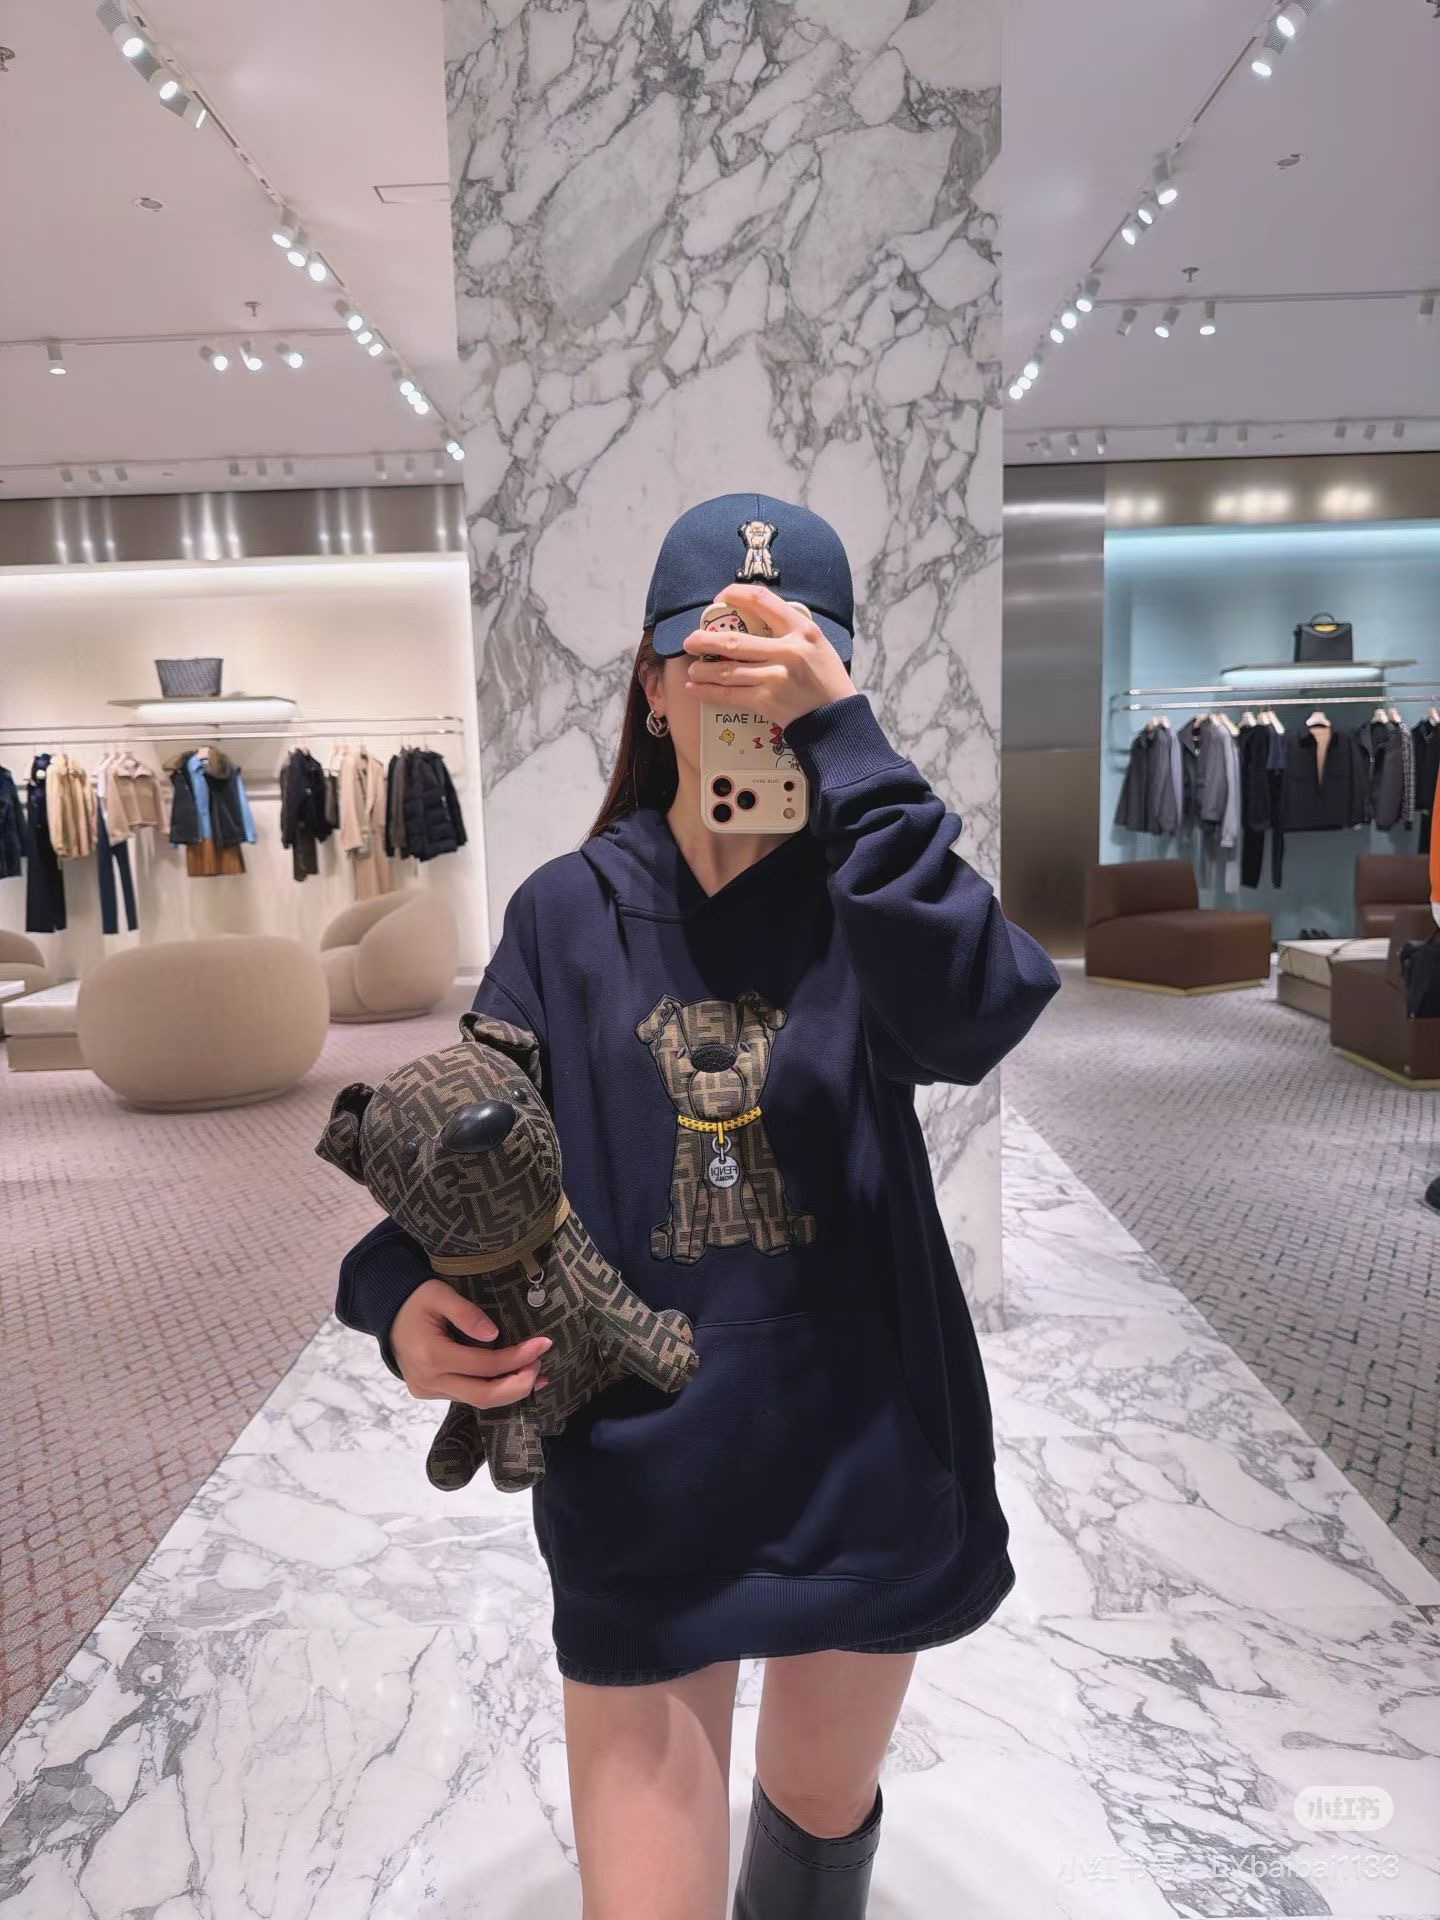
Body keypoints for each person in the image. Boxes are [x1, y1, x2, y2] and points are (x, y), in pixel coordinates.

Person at [335, 492, 1062, 1920]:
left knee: (813, 1835)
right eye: (712, 660)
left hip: (862, 1448)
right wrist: (393, 1292)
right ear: (654, 687)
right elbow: (472, 1142)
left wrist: (854, 759)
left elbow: (979, 1015)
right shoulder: (566, 912)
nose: (744, 699)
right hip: (643, 1470)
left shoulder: (878, 895)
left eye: (785, 668)